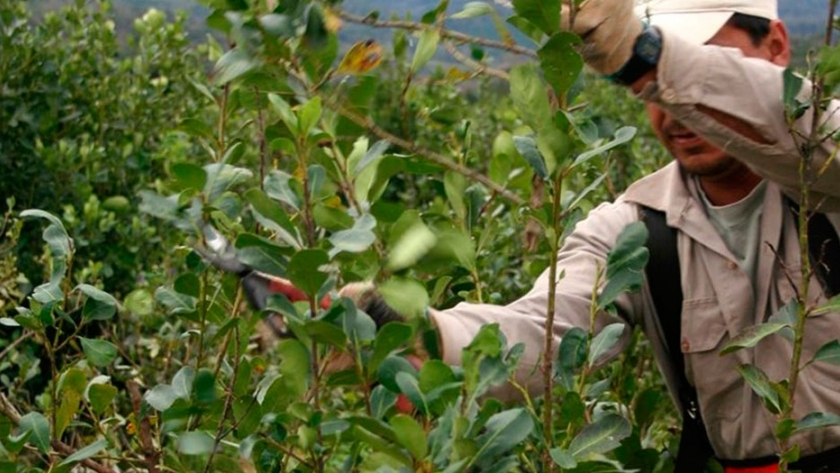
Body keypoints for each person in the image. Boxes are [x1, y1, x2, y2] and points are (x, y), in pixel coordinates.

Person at [253, 0, 840, 469]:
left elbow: (805, 130)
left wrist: (646, 56)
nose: (675, 104)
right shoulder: (635, 229)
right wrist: (408, 332)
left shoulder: (825, 181)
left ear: (778, 48)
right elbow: (542, 335)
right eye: (651, 90)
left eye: (703, 70)